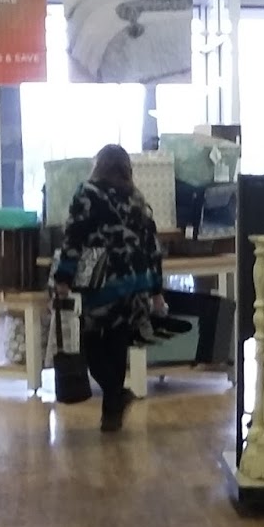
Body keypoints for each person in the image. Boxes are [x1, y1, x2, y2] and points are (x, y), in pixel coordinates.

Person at [52, 145, 166, 431]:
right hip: (135, 284)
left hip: (99, 282)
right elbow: (152, 247)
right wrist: (156, 290)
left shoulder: (87, 193)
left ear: (99, 165)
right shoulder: (137, 198)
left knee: (91, 344)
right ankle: (112, 412)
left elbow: (73, 238)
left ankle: (115, 398)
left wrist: (63, 277)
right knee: (117, 344)